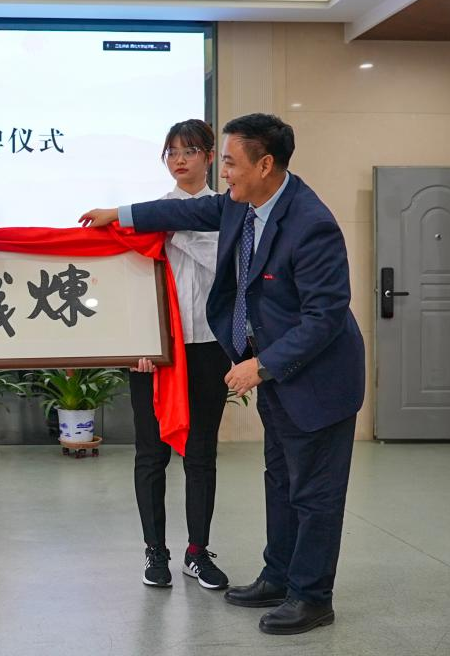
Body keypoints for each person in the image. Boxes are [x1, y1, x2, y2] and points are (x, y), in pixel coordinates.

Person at [80, 113, 364, 636]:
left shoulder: (311, 224)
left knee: (314, 493)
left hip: (317, 380)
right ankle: (278, 577)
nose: (224, 172)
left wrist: (261, 365)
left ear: (265, 164)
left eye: (230, 162)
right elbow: (181, 210)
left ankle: (311, 596)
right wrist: (116, 214)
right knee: (280, 482)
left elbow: (325, 317)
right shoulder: (241, 205)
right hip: (278, 376)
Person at [130, 120, 232, 591]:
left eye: (189, 151)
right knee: (151, 455)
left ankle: (197, 552)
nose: (179, 160)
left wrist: (178, 230)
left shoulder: (229, 215)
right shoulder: (148, 218)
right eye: (171, 152)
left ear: (210, 156)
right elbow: (130, 286)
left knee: (201, 453)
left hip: (208, 348)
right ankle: (156, 552)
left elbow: (226, 269)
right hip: (156, 355)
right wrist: (136, 344)